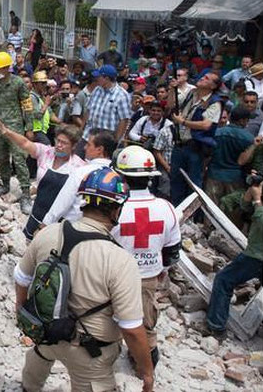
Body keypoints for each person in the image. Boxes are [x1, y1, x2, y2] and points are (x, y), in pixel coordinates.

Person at [15, 167, 154, 392]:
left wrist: (23, 313)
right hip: (89, 352)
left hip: (44, 336)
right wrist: (147, 372)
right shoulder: (120, 259)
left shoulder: (48, 233)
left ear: (83, 201)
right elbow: (131, 328)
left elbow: (21, 278)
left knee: (35, 370)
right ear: (116, 211)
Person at [111, 146, 181, 369]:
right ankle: (144, 365)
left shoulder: (114, 208)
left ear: (121, 176)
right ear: (151, 178)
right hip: (148, 278)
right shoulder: (166, 208)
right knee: (145, 324)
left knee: (106, 318)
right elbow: (172, 253)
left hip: (115, 277)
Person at [0, 121, 85, 240]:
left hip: (58, 220)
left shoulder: (79, 167)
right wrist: (7, 132)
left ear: (73, 146)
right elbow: (25, 143)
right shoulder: (46, 153)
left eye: (64, 143)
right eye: (58, 140)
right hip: (37, 211)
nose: (59, 145)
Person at [205, 180, 263, 339]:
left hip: (257, 256)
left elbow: (262, 223)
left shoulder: (261, 203)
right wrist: (250, 194)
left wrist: (258, 200)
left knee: (224, 280)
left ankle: (216, 327)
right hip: (257, 253)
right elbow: (245, 208)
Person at [0, 51, 34, 213]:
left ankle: (25, 194)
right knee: (2, 157)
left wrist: (29, 128)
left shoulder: (18, 83)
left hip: (15, 128)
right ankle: (5, 184)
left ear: (7, 68)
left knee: (19, 160)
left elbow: (27, 106)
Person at [168, 72, 223, 205]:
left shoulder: (215, 102)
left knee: (193, 184)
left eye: (207, 78)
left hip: (195, 146)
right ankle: (177, 213)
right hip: (179, 143)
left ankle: (191, 217)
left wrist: (183, 122)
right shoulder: (192, 93)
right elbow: (170, 105)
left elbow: (206, 125)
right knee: (176, 181)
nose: (202, 78)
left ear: (213, 86)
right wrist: (172, 89)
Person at [41, 128, 116, 226]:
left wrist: (45, 224)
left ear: (99, 150)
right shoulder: (116, 177)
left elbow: (63, 202)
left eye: (89, 144)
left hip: (73, 227)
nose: (84, 148)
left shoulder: (81, 172)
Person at [204, 106, 254, 206]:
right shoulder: (248, 138)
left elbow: (206, 155)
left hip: (214, 176)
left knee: (211, 209)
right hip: (235, 178)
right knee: (232, 212)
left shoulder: (216, 133)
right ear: (243, 120)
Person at [80, 65, 132, 156]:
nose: (96, 79)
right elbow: (88, 110)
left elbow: (124, 120)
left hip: (106, 141)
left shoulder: (122, 95)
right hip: (88, 136)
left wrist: (116, 141)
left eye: (98, 77)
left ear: (106, 78)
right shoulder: (97, 90)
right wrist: (81, 129)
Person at [29, 71, 52, 146]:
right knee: (47, 149)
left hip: (41, 130)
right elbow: (37, 116)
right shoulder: (32, 97)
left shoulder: (40, 97)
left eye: (45, 83)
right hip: (35, 131)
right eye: (42, 83)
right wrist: (46, 104)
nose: (45, 85)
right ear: (35, 84)